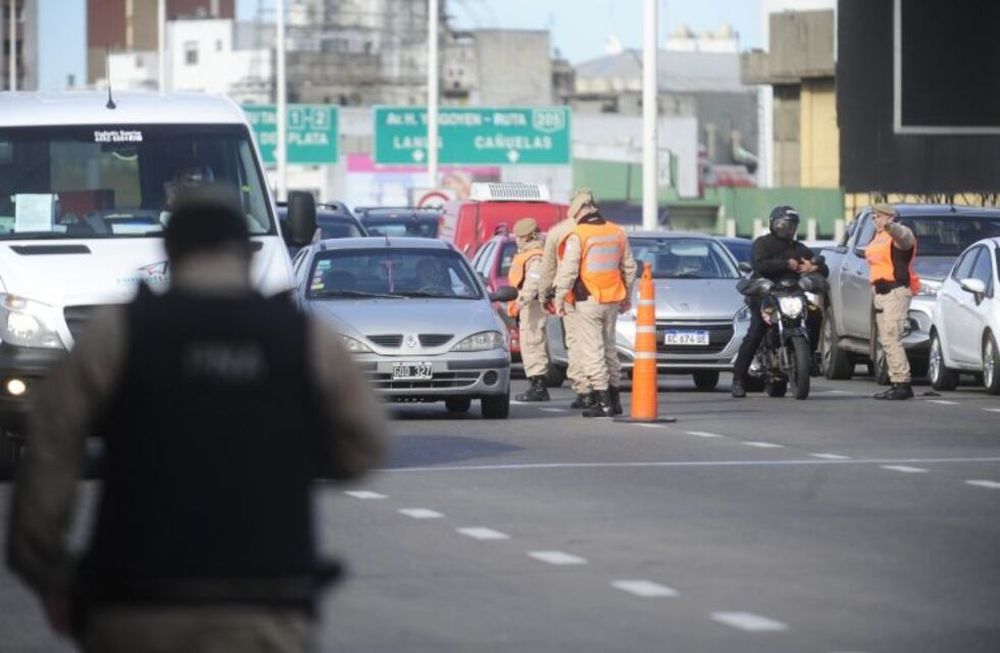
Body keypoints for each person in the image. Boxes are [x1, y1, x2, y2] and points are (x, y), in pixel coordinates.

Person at [6, 187, 386, 653]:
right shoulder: (302, 337)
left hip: (136, 606)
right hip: (267, 607)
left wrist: (47, 568)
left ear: (170, 255)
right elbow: (363, 445)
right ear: (245, 257)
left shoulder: (122, 332)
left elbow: (51, 437)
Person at [553, 191, 637, 417]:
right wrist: (627, 296)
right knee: (610, 348)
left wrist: (559, 297)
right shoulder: (617, 231)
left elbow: (568, 271)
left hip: (588, 300)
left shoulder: (578, 235)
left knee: (592, 351)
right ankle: (615, 399)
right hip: (612, 299)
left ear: (578, 213)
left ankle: (603, 402)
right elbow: (629, 268)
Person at [731, 205, 828, 398]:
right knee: (756, 331)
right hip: (766, 294)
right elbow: (760, 264)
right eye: (784, 224)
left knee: (815, 314)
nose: (788, 228)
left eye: (792, 225)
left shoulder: (800, 248)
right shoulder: (762, 243)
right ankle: (738, 379)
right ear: (774, 224)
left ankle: (811, 359)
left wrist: (813, 266)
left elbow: (823, 270)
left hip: (793, 294)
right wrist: (786, 264)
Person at [539, 189, 596, 409]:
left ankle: (585, 391)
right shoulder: (609, 228)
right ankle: (604, 390)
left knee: (576, 343)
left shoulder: (559, 232)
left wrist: (545, 295)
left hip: (573, 296)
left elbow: (549, 268)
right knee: (600, 343)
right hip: (603, 296)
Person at [867, 203, 919, 400]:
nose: (876, 221)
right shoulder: (878, 238)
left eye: (879, 217)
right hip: (881, 294)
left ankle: (903, 383)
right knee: (885, 340)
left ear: (890, 217)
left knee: (891, 338)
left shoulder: (897, 235)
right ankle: (896, 381)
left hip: (896, 292)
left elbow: (905, 237)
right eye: (874, 217)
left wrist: (890, 226)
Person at [508, 218, 550, 402]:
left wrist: (521, 301)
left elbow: (533, 281)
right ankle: (535, 382)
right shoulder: (527, 254)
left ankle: (539, 386)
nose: (516, 240)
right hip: (526, 304)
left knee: (533, 343)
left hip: (531, 305)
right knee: (528, 343)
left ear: (525, 237)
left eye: (518, 237)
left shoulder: (536, 256)